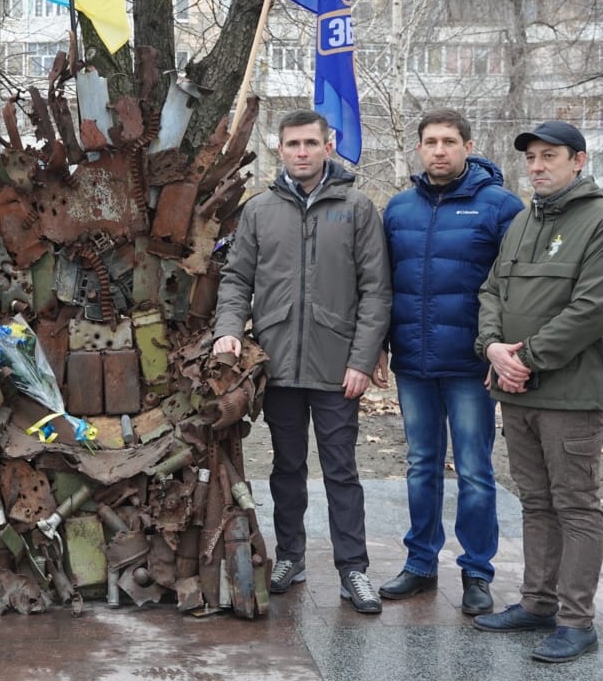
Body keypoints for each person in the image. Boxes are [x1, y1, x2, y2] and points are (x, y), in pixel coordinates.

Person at [213, 109, 392, 613]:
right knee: (286, 468)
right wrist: (228, 332)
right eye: (292, 144)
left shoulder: (356, 208)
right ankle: (290, 555)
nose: (302, 152)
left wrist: (361, 360)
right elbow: (236, 280)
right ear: (281, 150)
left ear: (328, 147)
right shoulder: (260, 211)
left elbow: (376, 292)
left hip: (338, 369)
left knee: (341, 471)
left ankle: (353, 568)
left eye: (311, 143)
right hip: (279, 364)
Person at [473, 119, 603, 663]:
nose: (538, 167)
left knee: (576, 506)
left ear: (578, 161)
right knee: (536, 502)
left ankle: (576, 620)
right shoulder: (522, 221)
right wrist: (493, 347)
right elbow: (491, 289)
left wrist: (527, 361)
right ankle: (537, 603)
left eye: (550, 156)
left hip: (570, 394)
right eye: (532, 158)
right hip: (516, 391)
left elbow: (592, 310)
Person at [373, 110, 523, 616]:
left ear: (468, 146)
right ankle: (420, 564)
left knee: (476, 471)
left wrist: (498, 347)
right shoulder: (398, 209)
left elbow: (514, 288)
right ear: (419, 149)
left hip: (471, 365)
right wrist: (379, 345)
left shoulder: (500, 207)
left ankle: (477, 572)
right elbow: (382, 285)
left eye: (449, 142)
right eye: (431, 142)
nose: (439, 150)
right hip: (413, 363)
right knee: (420, 466)